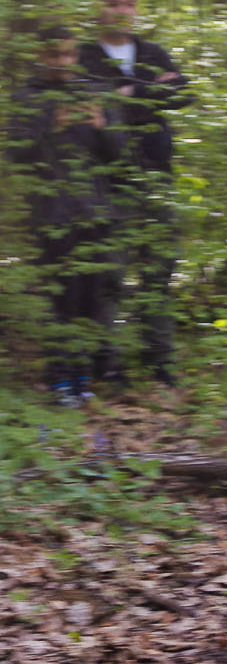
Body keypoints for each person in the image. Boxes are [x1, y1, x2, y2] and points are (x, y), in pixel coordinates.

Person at [78, 0, 190, 384]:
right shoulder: (84, 56)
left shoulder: (151, 52)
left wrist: (132, 91)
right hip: (106, 177)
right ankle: (107, 361)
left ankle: (159, 360)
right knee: (110, 271)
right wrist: (150, 90)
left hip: (157, 175)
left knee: (159, 269)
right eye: (112, 4)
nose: (122, 11)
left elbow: (183, 92)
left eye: (129, 4)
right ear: (98, 9)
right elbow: (84, 101)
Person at [9, 26, 123, 406]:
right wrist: (51, 128)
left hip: (96, 210)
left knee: (93, 298)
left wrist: (102, 128)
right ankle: (59, 379)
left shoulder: (95, 92)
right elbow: (15, 155)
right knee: (61, 300)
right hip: (52, 213)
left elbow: (117, 154)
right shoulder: (26, 97)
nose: (63, 62)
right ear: (41, 55)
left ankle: (82, 377)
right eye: (55, 55)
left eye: (70, 55)